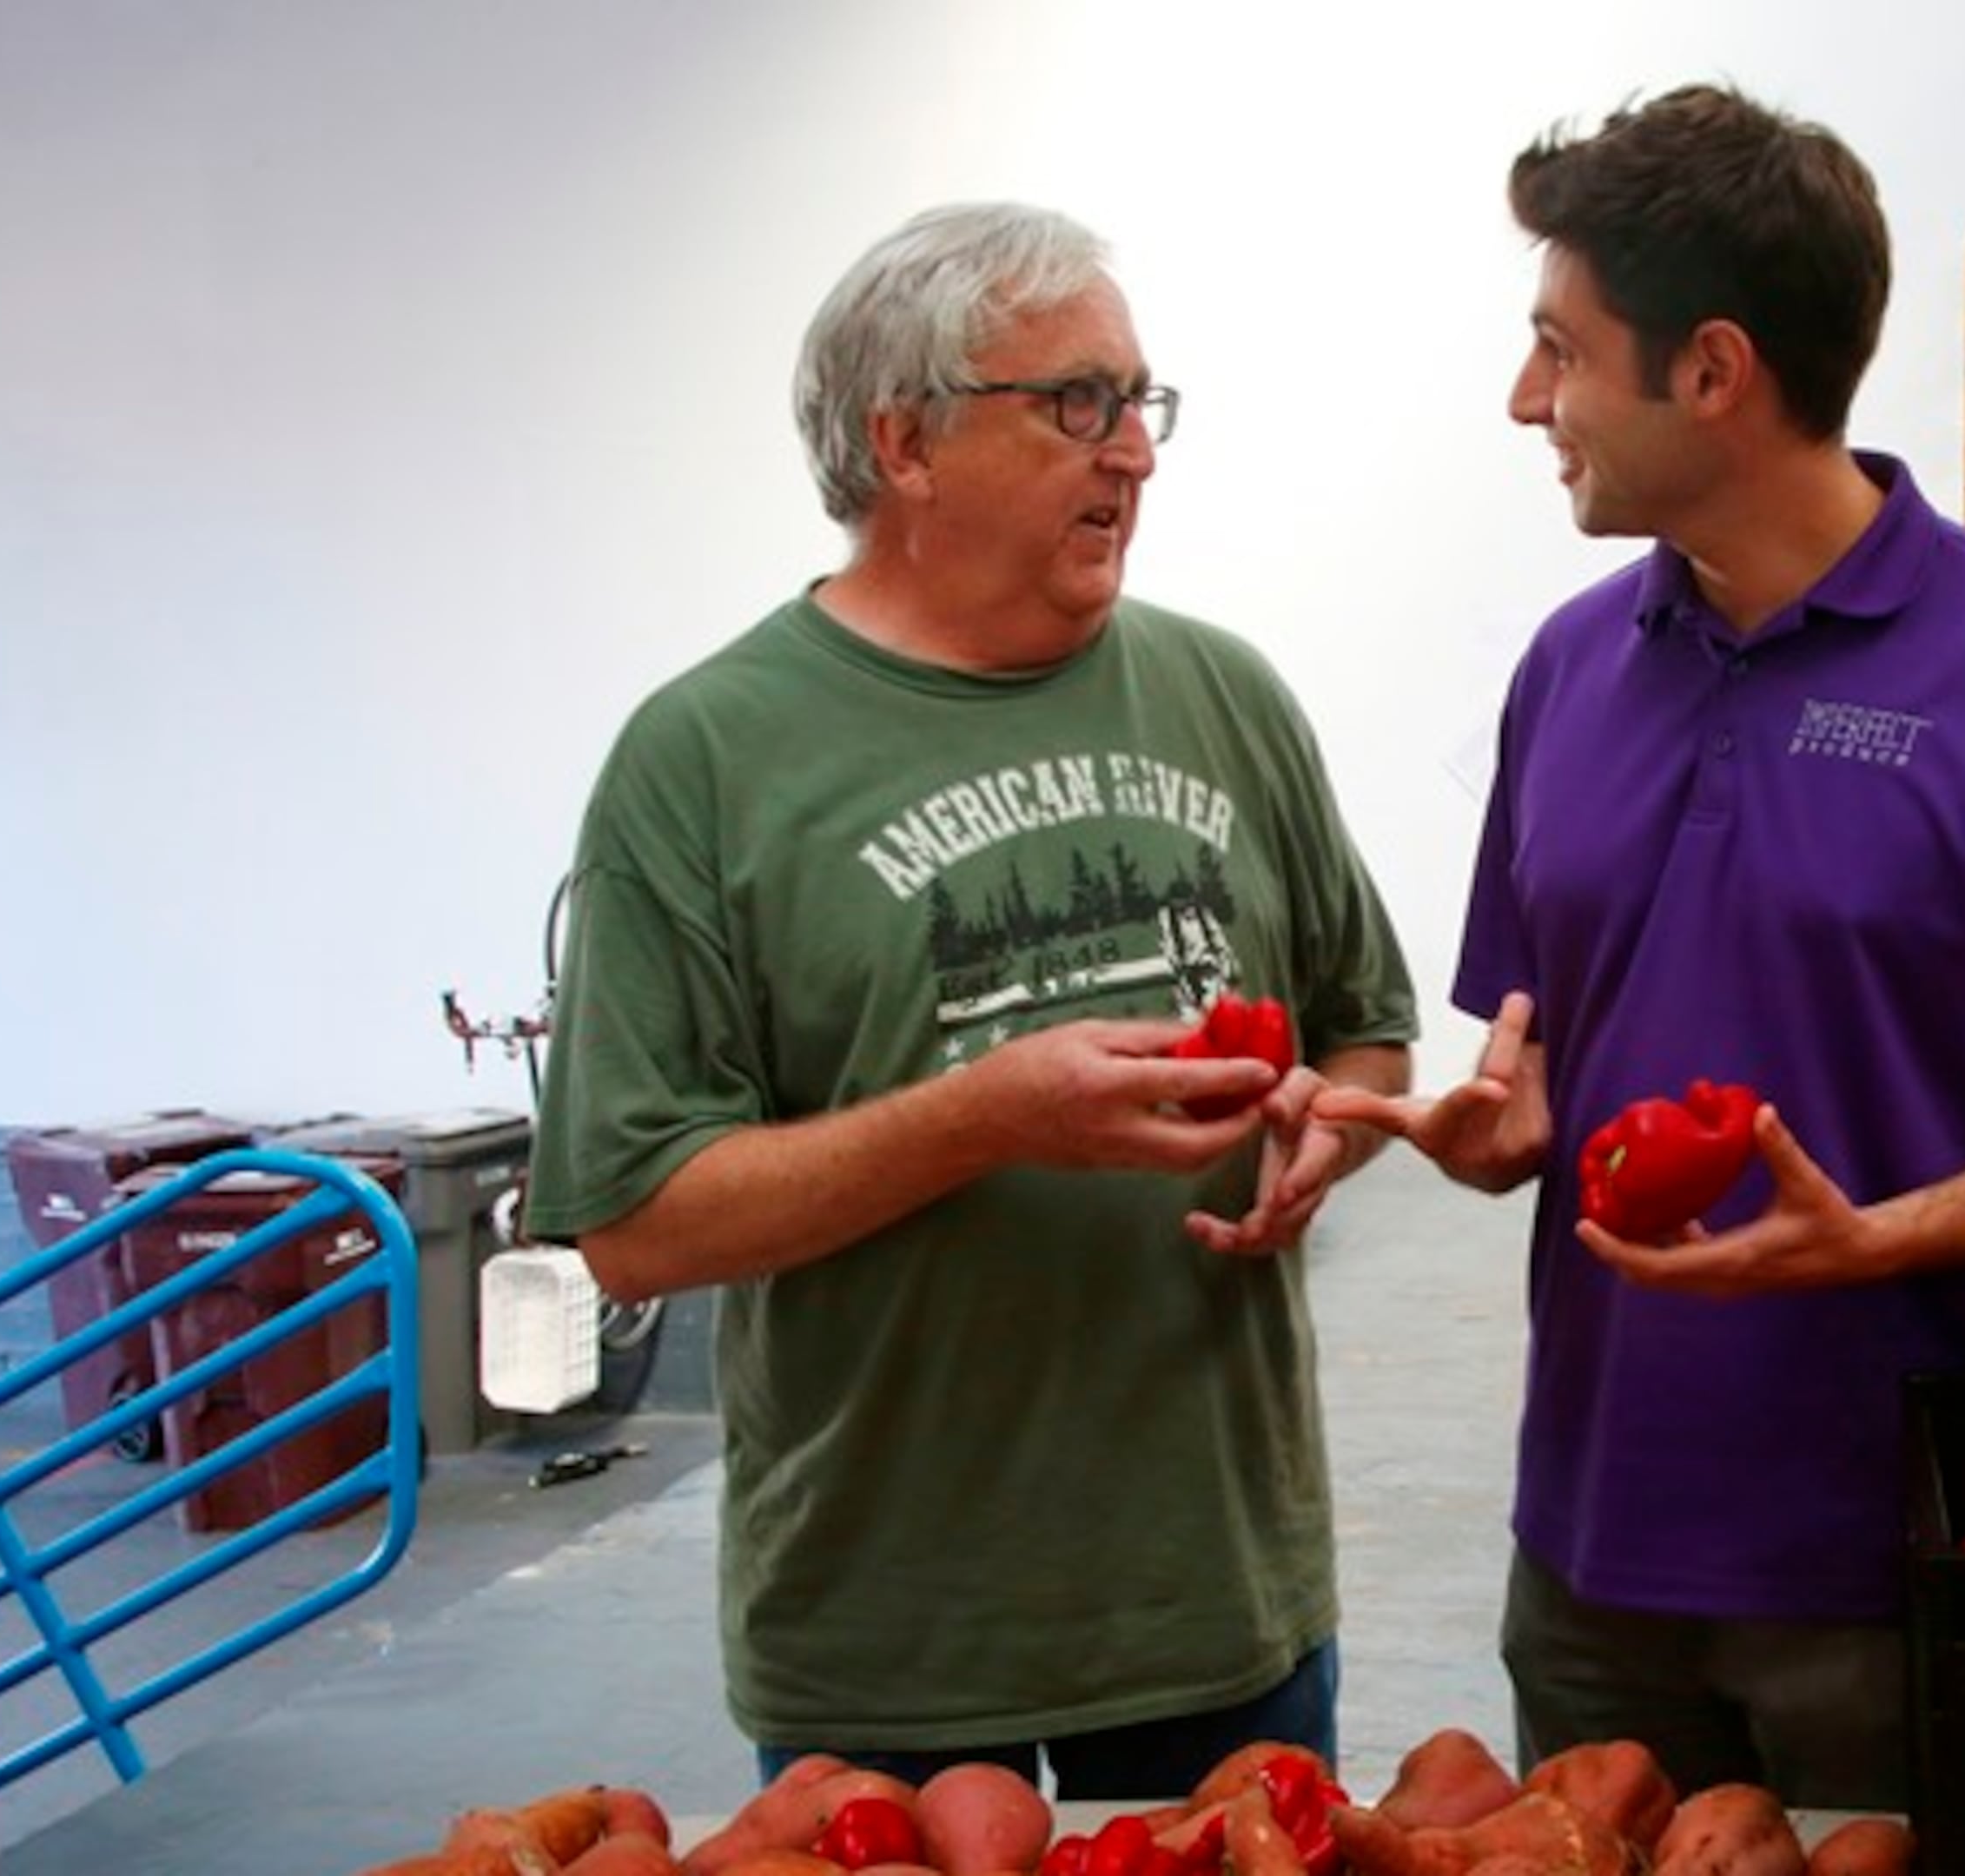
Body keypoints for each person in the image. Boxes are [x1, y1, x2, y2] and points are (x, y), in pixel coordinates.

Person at [1316, 85, 1965, 1809]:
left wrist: (1880, 1239)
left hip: (1895, 1578)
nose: (1530, 401)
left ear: (1715, 373)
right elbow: (1542, 1052)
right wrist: (1503, 1127)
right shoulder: (1567, 673)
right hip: (1587, 1561)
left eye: (1561, 352)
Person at [523, 202, 1418, 1797]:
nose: (1134, 451)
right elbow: (637, 1222)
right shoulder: (708, 759)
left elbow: (1365, 1023)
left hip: (1216, 1608)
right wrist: (982, 1119)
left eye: (1145, 401)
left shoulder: (1227, 695)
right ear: (905, 443)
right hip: (892, 1646)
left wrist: (1321, 1135)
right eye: (1078, 402)